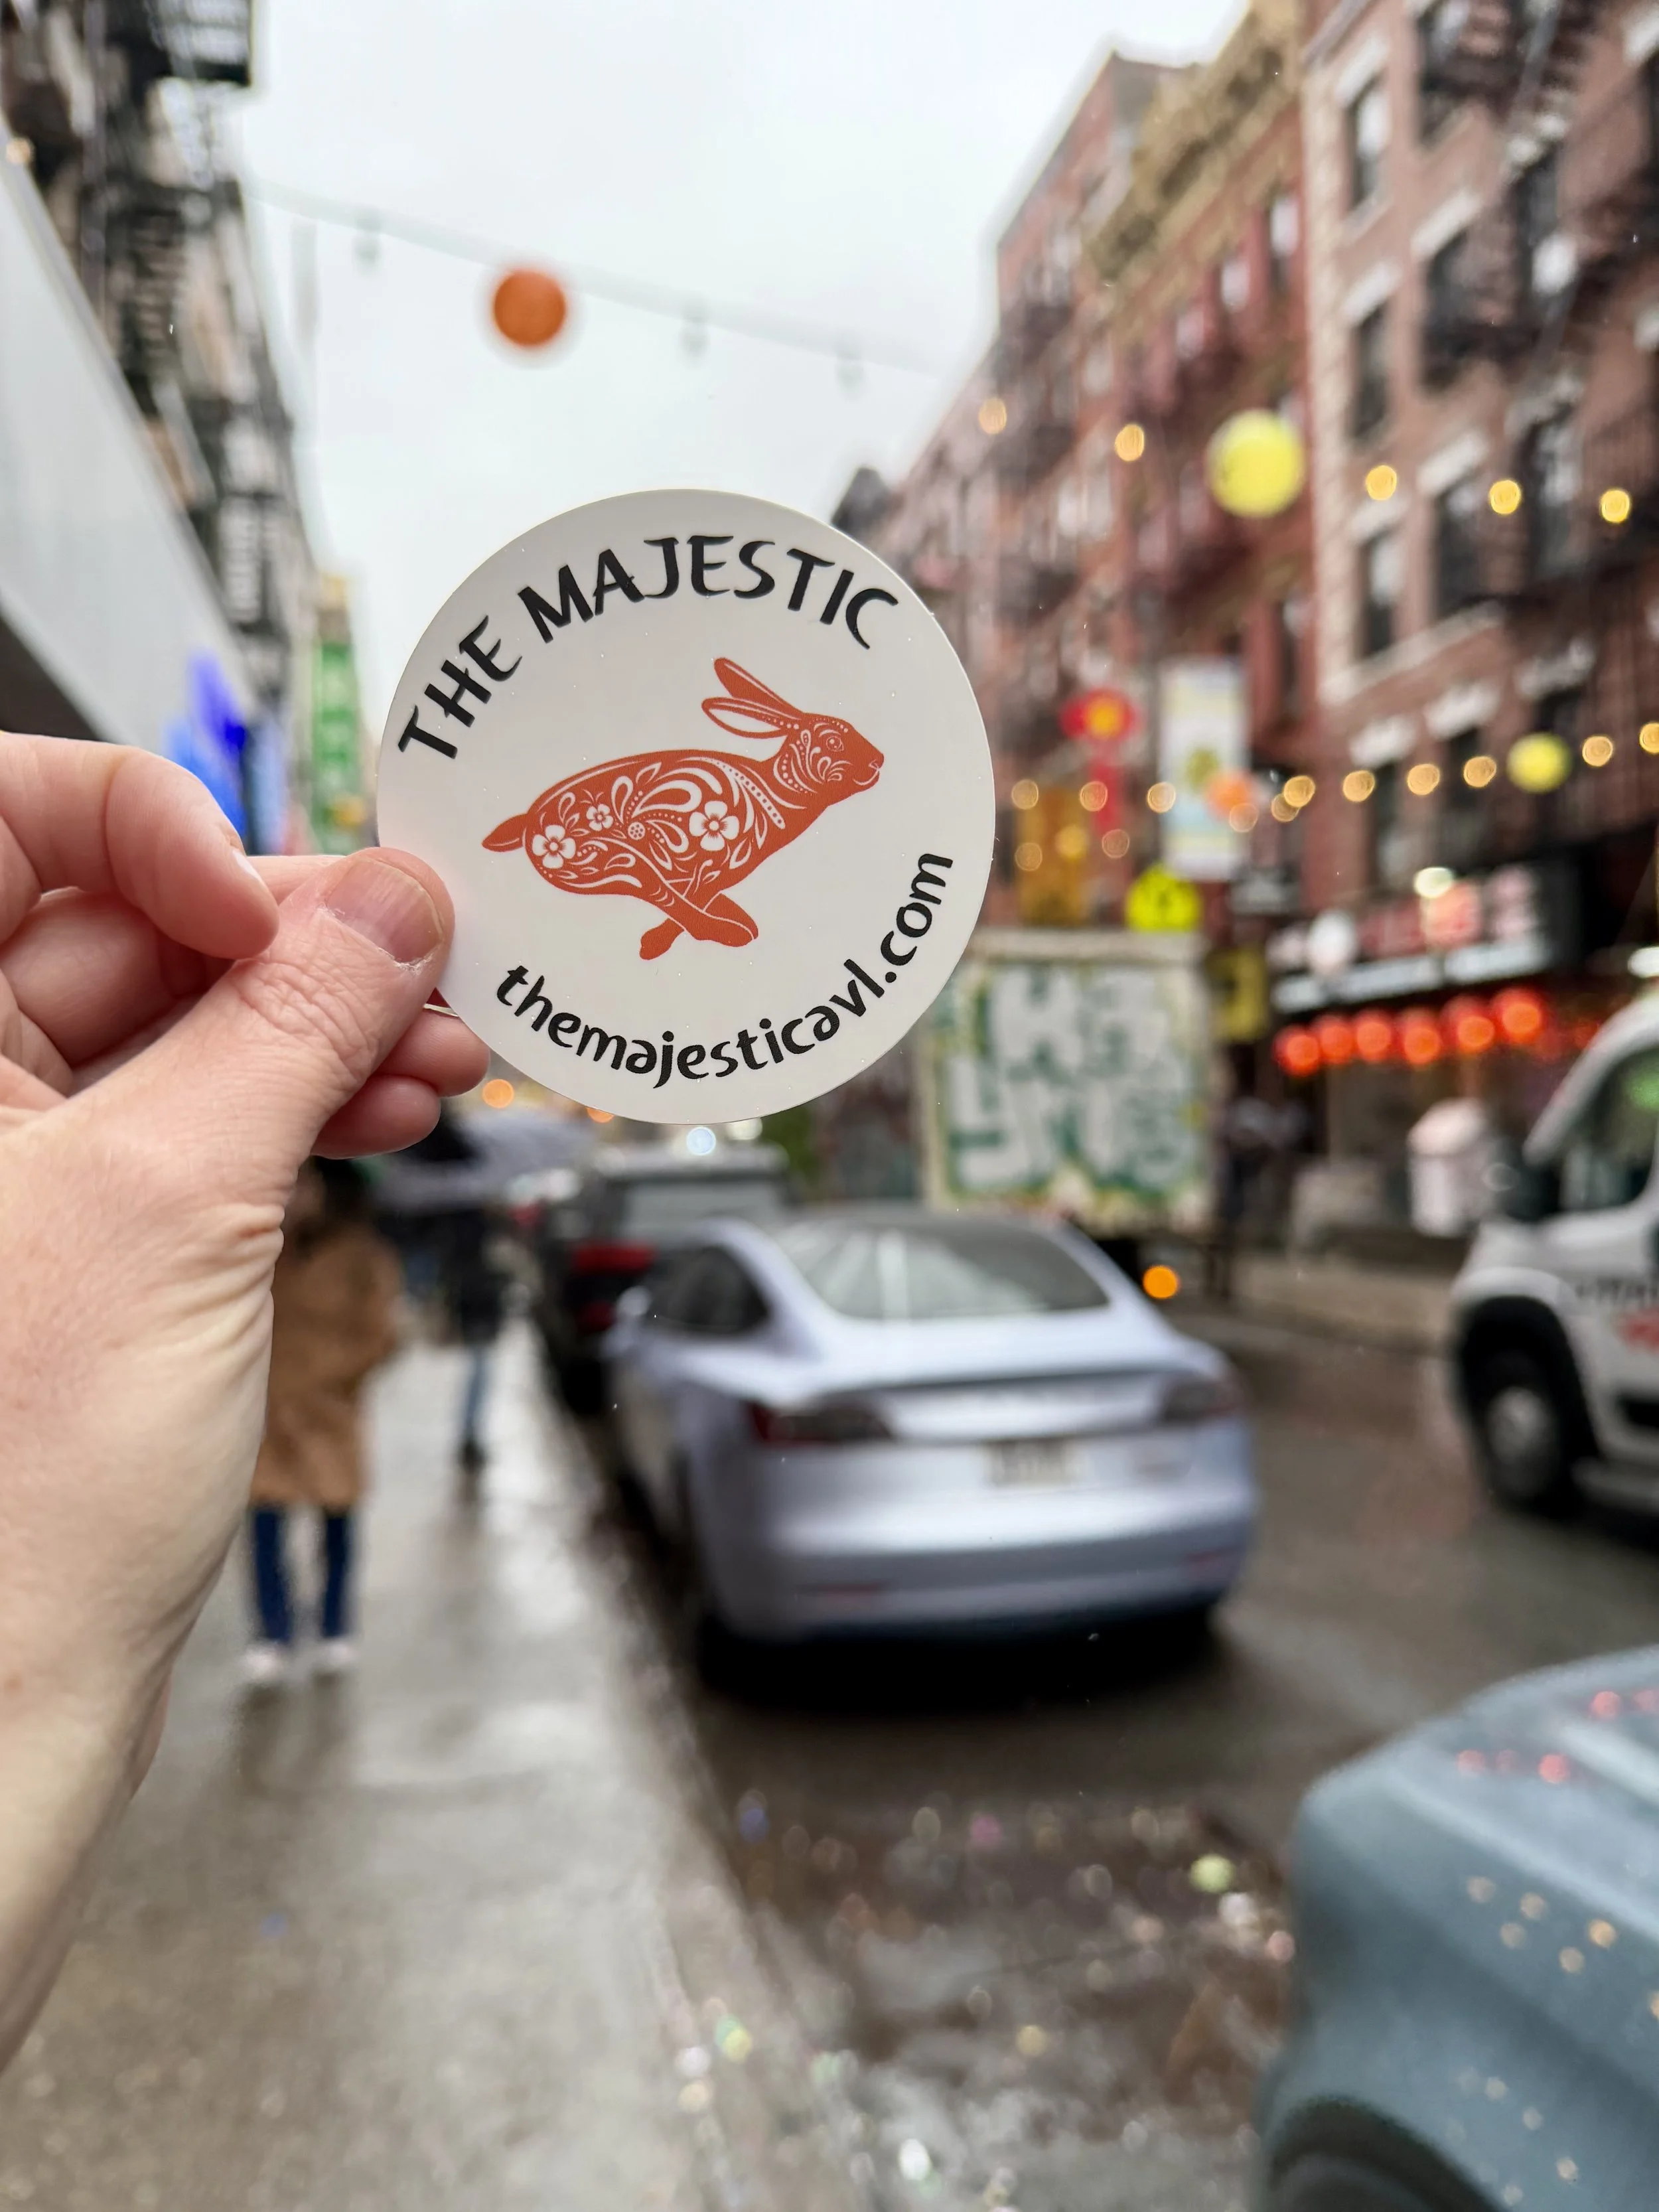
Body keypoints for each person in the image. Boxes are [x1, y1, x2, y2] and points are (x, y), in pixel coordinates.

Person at [0, 730, 488, 2071]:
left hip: (297, 1417)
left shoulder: (315, 1253)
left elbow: (367, 1329)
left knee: (317, 1527)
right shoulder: (244, 1241)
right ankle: (286, 1632)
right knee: (273, 1529)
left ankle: (318, 1628)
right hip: (266, 1427)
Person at [244, 1159, 402, 1684]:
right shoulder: (265, 1248)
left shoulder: (364, 1256)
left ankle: (335, 1628)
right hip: (268, 1412)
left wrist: (333, 1382)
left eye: (308, 1184)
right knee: (265, 1526)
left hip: (331, 1412)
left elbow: (381, 1334)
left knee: (336, 1525)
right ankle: (273, 1633)